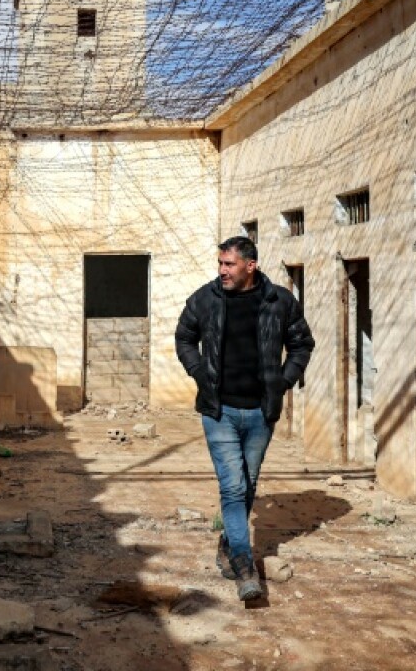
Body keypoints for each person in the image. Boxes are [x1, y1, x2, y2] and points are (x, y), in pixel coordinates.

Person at [174, 235, 314, 600]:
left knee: (247, 483)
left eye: (229, 264)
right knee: (232, 487)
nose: (221, 270)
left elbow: (302, 343)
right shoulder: (205, 299)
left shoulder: (279, 301)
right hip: (217, 410)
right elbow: (184, 337)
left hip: (260, 413)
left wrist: (283, 381)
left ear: (250, 266)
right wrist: (199, 372)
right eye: (220, 263)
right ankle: (244, 565)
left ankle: (227, 543)